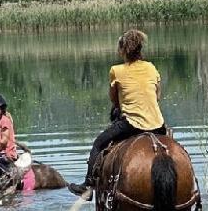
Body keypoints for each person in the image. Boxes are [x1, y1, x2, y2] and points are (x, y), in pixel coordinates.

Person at [67, 29, 166, 198]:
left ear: (122, 50)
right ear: (140, 49)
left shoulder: (116, 70)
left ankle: (89, 185)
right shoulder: (150, 67)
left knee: (98, 143)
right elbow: (157, 95)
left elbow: (115, 101)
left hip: (132, 124)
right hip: (158, 124)